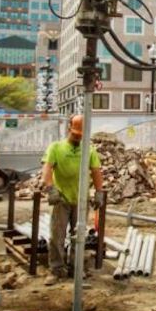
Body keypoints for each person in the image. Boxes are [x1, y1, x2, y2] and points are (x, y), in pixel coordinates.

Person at [40, 114, 106, 286]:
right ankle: (56, 269)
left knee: (79, 237)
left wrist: (99, 192)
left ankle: (76, 268)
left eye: (80, 135)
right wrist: (50, 188)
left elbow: (96, 172)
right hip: (61, 199)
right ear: (69, 128)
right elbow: (47, 169)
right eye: (75, 134)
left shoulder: (89, 150)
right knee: (57, 236)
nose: (77, 137)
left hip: (81, 200)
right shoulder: (56, 147)